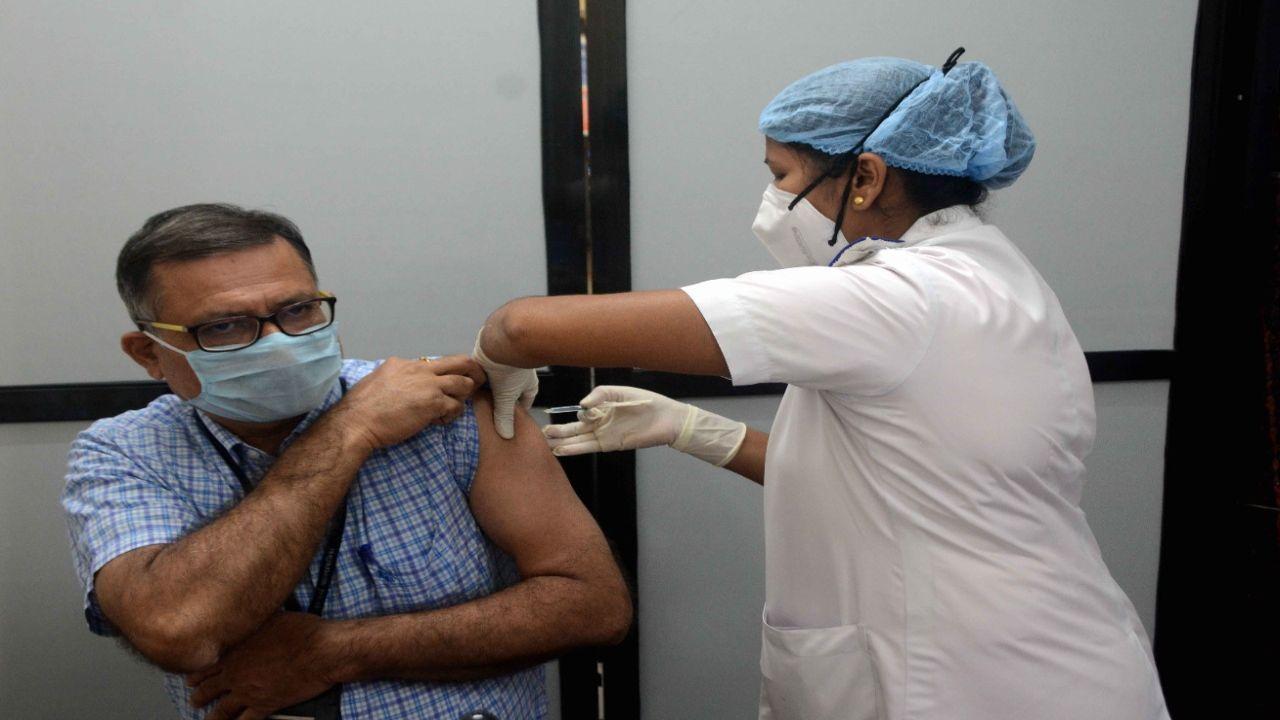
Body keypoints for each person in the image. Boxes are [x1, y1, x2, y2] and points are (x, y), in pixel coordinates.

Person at [471, 51, 1171, 720]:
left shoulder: (903, 298)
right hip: (1046, 651)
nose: (772, 200)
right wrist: (692, 430)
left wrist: (497, 352)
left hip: (972, 680)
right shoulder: (990, 276)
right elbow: (888, 485)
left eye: (782, 175)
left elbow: (526, 329)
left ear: (865, 177)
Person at [62, 204, 632, 720]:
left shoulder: (446, 409)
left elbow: (592, 605)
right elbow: (177, 628)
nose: (278, 342)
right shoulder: (122, 452)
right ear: (149, 354)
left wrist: (334, 652)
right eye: (223, 327)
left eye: (298, 310)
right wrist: (350, 429)